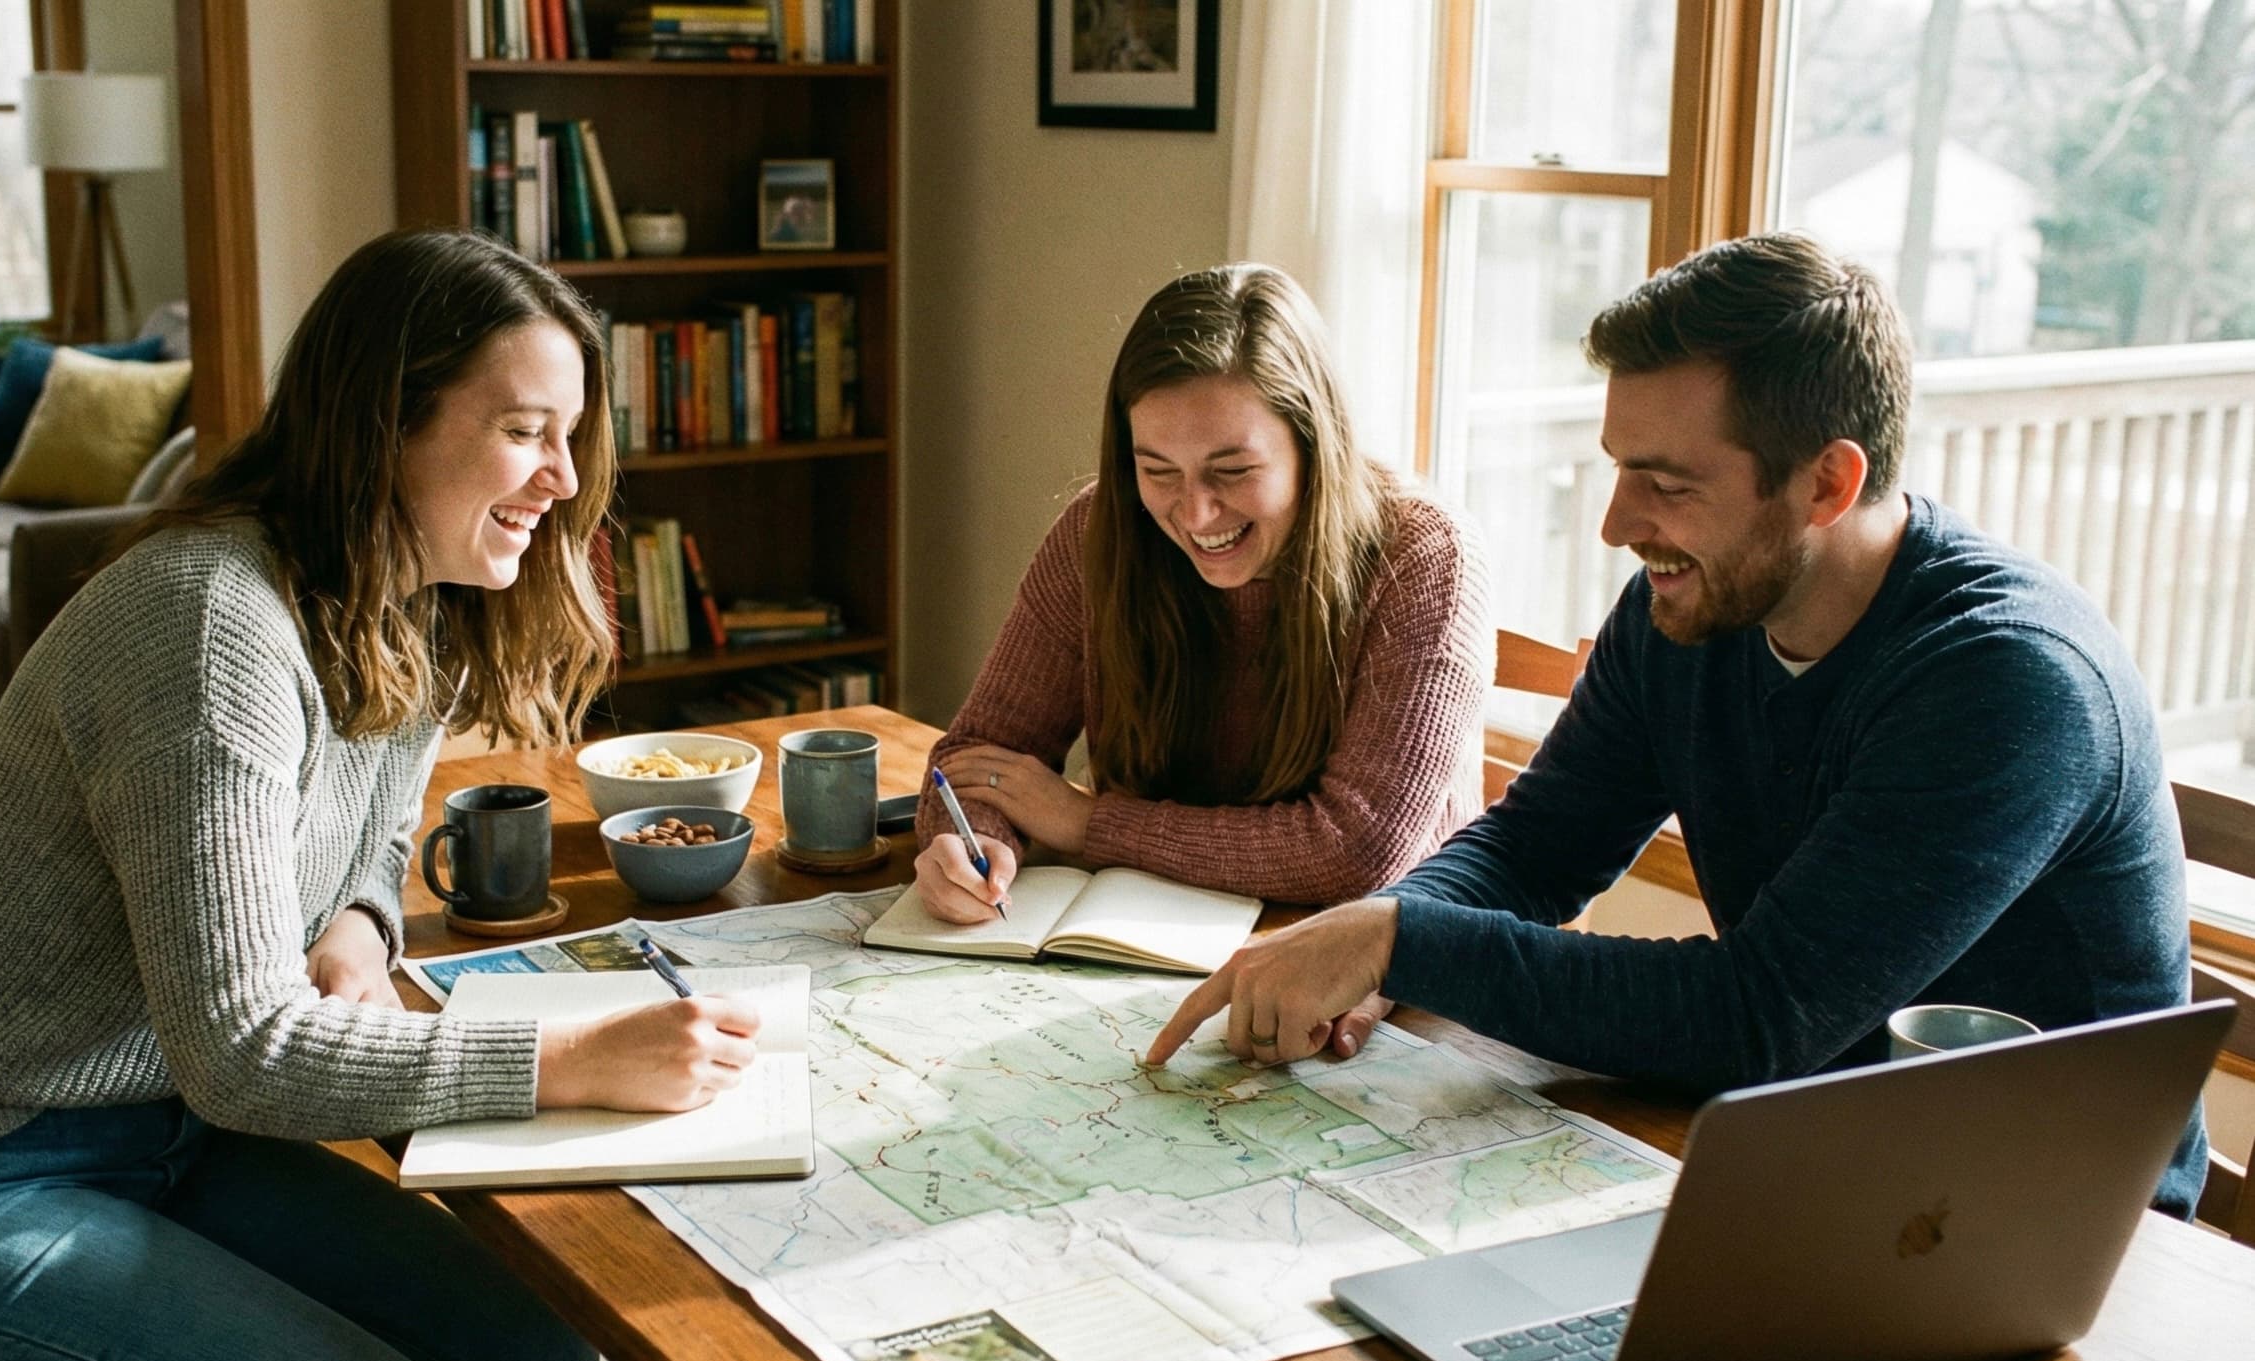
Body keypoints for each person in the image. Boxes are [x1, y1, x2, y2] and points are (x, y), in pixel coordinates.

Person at [0, 229, 763, 1361]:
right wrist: (566, 1060)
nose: (563, 477)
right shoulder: (208, 627)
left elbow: (364, 844)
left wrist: (360, 930)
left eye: (572, 434)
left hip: (159, 1135)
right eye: (528, 430)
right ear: (386, 426)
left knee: (529, 1357)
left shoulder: (399, 597)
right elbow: (243, 1053)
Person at [1145, 231, 2209, 1219]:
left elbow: (1756, 1018)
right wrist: (1375, 953)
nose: (1616, 525)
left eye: (1663, 484)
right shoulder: (1687, 608)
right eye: (1615, 468)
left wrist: (1398, 937)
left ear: (1827, 483)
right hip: (1815, 1154)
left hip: (2054, 1225)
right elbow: (1535, 845)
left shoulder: (2007, 682)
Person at [916, 263, 1491, 936]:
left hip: (1372, 964)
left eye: (1233, 471)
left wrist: (1087, 824)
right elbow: (976, 756)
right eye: (1157, 469)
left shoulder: (1425, 554)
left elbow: (1356, 850)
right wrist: (971, 845)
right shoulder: (1101, 529)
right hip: (1149, 938)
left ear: (1314, 444)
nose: (1195, 512)